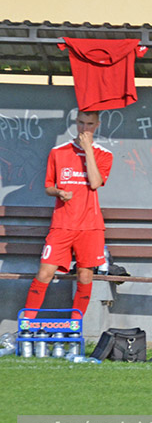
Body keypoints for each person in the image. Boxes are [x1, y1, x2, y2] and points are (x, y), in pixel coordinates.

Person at [22, 110, 113, 319]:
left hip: (90, 226)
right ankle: (27, 323)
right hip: (62, 224)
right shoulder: (58, 152)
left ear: (97, 125)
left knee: (85, 275)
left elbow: (95, 182)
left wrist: (88, 150)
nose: (84, 128)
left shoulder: (104, 154)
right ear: (75, 122)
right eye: (80, 123)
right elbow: (48, 186)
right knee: (44, 272)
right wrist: (59, 192)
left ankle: (75, 325)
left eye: (89, 124)